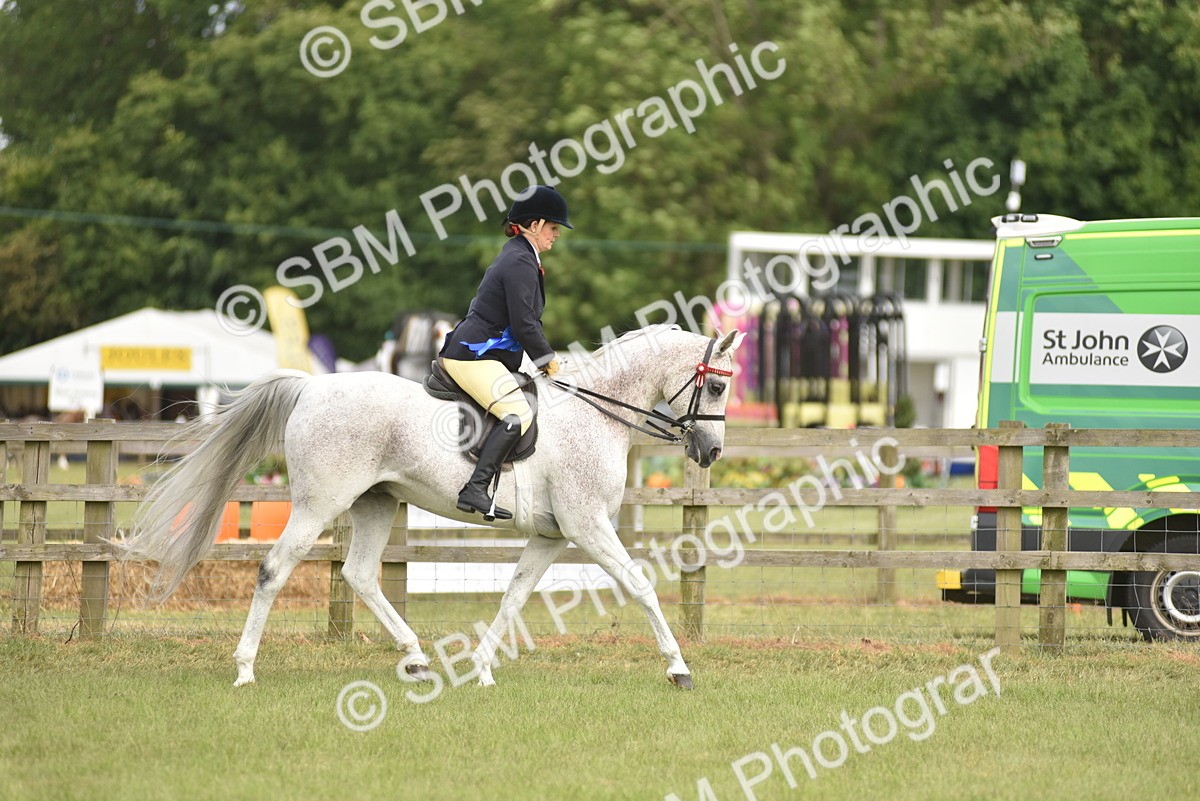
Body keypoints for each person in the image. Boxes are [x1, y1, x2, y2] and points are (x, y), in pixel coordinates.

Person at [438, 184, 573, 519]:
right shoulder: (519, 261)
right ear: (536, 224)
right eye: (554, 228)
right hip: (471, 355)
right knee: (519, 413)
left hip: (485, 354)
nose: (556, 235)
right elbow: (525, 324)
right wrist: (549, 363)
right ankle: (475, 489)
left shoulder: (520, 255)